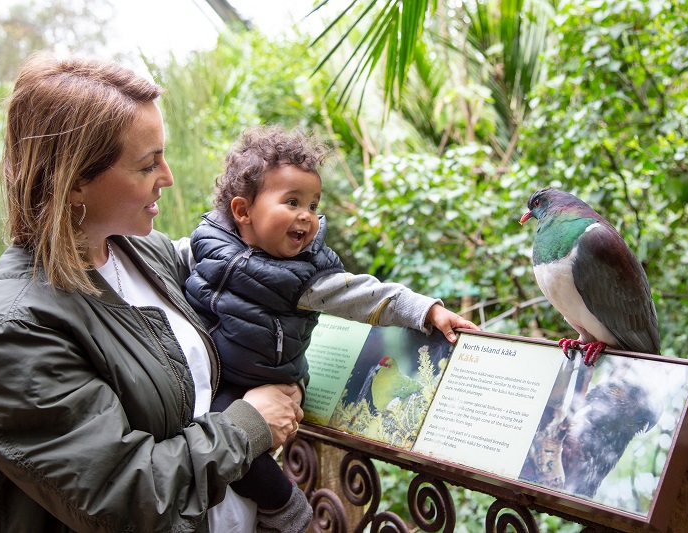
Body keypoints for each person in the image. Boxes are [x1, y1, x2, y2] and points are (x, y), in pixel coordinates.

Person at [0, 53, 304, 533]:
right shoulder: (13, 330)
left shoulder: (142, 251)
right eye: (147, 165)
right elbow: (122, 494)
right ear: (75, 182)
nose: (167, 176)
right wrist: (247, 427)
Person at [185, 125, 480, 532]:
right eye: (292, 201)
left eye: (313, 203)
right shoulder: (206, 245)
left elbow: (366, 294)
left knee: (239, 453)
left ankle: (291, 514)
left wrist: (427, 310)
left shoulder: (306, 276)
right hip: (208, 375)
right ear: (242, 211)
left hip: (261, 383)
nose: (307, 215)